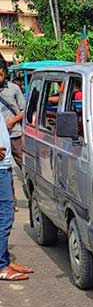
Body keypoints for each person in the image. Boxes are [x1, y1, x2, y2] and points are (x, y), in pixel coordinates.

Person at [0, 102, 32, 281]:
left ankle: (3, 260)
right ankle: (1, 266)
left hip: (4, 167)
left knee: (5, 215)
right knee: (5, 216)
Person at [0, 62, 25, 211]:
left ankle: (32, 194)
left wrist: (12, 121)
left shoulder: (14, 89)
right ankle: (10, 200)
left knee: (23, 164)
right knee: (4, 169)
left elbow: (24, 110)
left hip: (14, 134)